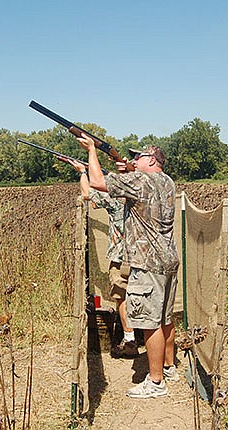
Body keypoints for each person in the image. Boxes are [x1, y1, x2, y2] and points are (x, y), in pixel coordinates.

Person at [75, 133, 180, 399]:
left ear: (153, 160)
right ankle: (169, 368)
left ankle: (155, 382)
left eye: (139, 156)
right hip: (167, 259)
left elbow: (97, 182)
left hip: (147, 262)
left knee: (149, 322)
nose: (133, 159)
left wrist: (91, 150)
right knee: (166, 318)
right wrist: (127, 170)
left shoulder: (141, 180)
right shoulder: (166, 181)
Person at [64, 157, 138, 358]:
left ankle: (130, 339)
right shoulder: (145, 192)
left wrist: (82, 172)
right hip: (143, 256)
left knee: (121, 297)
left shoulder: (115, 197)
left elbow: (87, 193)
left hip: (120, 257)